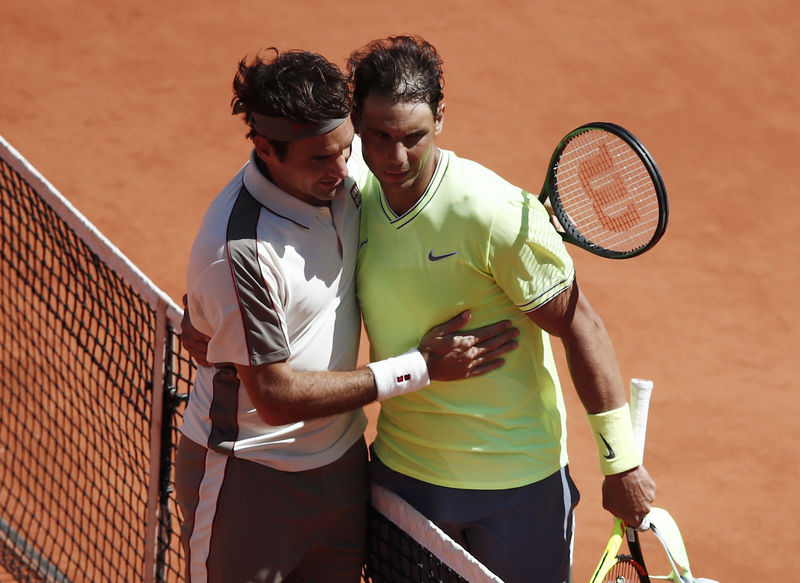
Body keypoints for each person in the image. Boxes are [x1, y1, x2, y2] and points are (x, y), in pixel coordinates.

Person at [175, 48, 519, 583]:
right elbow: (275, 398)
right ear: (266, 148)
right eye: (319, 159)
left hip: (342, 470)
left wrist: (522, 231)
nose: (344, 171)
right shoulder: (241, 252)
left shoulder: (349, 167)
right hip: (251, 476)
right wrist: (419, 368)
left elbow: (434, 191)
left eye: (347, 147)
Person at [348, 35, 656, 583]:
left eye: (413, 137)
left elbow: (583, 326)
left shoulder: (492, 213)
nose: (395, 158)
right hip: (406, 478)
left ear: (441, 116)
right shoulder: (348, 194)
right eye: (379, 136)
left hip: (517, 487)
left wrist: (621, 464)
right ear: (356, 122)